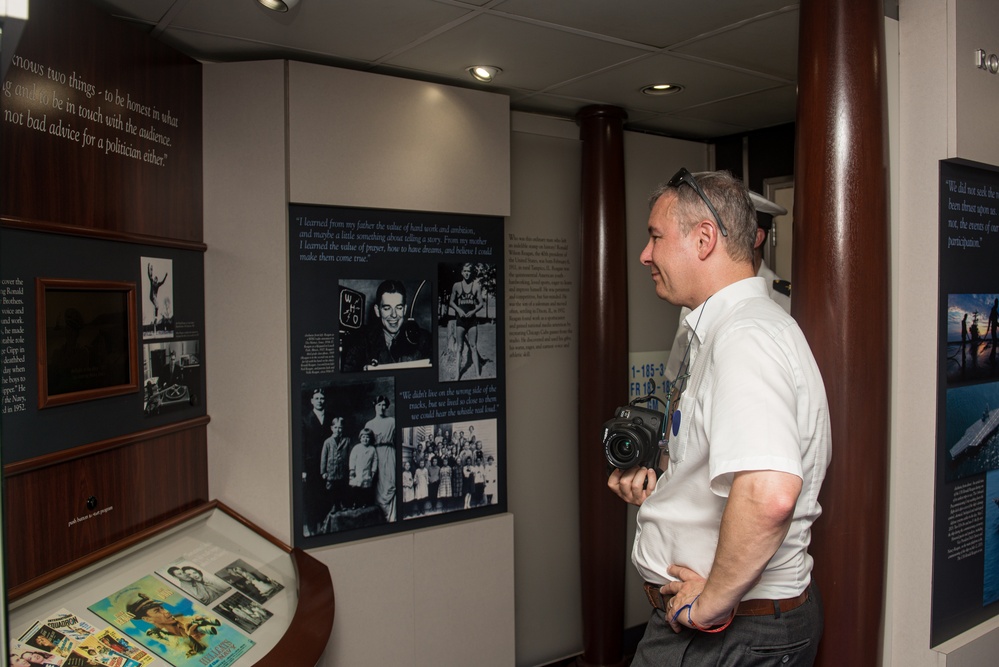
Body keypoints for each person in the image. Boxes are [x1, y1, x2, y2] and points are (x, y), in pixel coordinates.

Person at [607, 168, 831, 665]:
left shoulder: (744, 338)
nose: (646, 254)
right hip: (727, 625)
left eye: (655, 236)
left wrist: (709, 606)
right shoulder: (732, 329)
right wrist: (663, 480)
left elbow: (769, 495)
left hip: (728, 630)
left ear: (704, 239)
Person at [663, 189, 791, 382]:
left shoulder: (785, 298)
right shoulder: (699, 296)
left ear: (756, 238)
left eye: (722, 230)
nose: (708, 239)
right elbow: (679, 372)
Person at [341, 280, 432, 371]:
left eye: (399, 308)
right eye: (387, 308)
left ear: (405, 309)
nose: (394, 314)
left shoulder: (423, 340)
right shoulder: (360, 342)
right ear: (377, 311)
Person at [125, 593, 220, 659]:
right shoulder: (161, 641)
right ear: (148, 619)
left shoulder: (189, 620)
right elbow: (188, 659)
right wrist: (193, 639)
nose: (166, 612)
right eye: (157, 611)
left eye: (162, 608)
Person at [449, 263, 486, 378]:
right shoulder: (456, 286)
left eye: (468, 271)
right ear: (461, 272)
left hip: (472, 321)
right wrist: (458, 310)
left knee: (473, 346)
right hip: (460, 320)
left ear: (471, 273)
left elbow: (481, 304)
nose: (466, 273)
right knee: (459, 348)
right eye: (464, 271)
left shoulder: (475, 286)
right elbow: (451, 302)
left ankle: (477, 374)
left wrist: (473, 312)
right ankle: (457, 375)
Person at [301, 388, 329, 534]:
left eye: (322, 398)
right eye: (317, 398)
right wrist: (303, 470)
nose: (319, 401)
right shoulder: (305, 420)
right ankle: (312, 530)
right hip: (312, 466)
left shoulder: (331, 419)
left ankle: (325, 528)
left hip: (328, 465)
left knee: (326, 496)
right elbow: (302, 446)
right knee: (312, 498)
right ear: (312, 401)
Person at [321, 416, 352, 513]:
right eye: (335, 427)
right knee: (332, 489)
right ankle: (335, 505)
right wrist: (323, 472)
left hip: (343, 470)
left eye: (340, 428)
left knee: (342, 487)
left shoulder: (347, 440)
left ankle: (342, 504)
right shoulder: (327, 442)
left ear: (343, 428)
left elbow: (351, 455)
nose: (338, 430)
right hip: (331, 470)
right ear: (331, 428)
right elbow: (323, 457)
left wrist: (351, 469)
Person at [348, 428, 378, 508]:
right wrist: (352, 469)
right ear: (360, 438)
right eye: (363, 437)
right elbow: (352, 459)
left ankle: (363, 503)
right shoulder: (357, 448)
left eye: (367, 437)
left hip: (367, 472)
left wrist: (373, 471)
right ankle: (355, 503)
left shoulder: (372, 449)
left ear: (370, 439)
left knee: (365, 489)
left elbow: (375, 461)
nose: (365, 439)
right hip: (357, 472)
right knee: (355, 489)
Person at [147, 262, 168, 332]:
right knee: (157, 305)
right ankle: (155, 318)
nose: (155, 280)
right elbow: (149, 275)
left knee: (157, 307)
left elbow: (162, 282)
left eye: (156, 279)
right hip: (152, 296)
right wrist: (149, 268)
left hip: (153, 298)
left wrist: (165, 276)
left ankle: (155, 319)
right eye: (155, 279)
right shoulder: (152, 282)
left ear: (157, 280)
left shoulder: (158, 284)